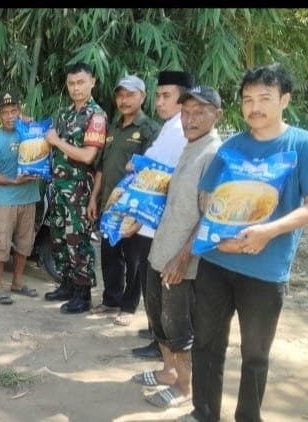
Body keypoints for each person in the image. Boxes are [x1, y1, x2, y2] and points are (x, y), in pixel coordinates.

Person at [180, 64, 308, 422]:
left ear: (285, 100)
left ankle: (248, 417)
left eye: (265, 98)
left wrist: (268, 231)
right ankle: (203, 413)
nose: (255, 107)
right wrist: (218, 238)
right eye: (248, 99)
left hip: (265, 271)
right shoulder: (232, 146)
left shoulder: (305, 146)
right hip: (217, 263)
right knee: (206, 344)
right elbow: (208, 199)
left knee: (255, 354)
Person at [131, 85, 223, 409]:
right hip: (161, 252)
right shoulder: (190, 146)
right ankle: (169, 371)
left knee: (178, 326)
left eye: (199, 112)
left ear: (217, 115)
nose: (190, 119)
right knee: (158, 318)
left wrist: (182, 259)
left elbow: (211, 216)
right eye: (185, 112)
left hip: (183, 263)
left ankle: (185, 389)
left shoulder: (213, 155)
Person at [130, 70, 195, 360]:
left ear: (184, 99)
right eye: (157, 95)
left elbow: (161, 176)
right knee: (151, 286)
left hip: (160, 224)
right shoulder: (169, 127)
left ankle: (163, 345)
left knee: (158, 289)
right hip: (150, 220)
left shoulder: (181, 131)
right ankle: (157, 335)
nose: (159, 102)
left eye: (166, 96)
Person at [88, 75, 161, 325]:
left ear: (143, 96)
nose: (124, 100)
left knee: (134, 259)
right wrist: (94, 198)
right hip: (109, 205)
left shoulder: (150, 130)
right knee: (109, 254)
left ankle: (129, 307)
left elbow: (152, 173)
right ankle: (111, 300)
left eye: (130, 95)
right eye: (120, 95)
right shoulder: (113, 128)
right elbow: (102, 166)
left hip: (133, 207)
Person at [43, 62, 106, 314]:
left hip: (80, 190)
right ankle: (67, 284)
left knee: (77, 241)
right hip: (60, 188)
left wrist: (57, 141)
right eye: (71, 83)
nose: (76, 88)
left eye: (81, 82)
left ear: (92, 82)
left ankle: (83, 294)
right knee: (59, 237)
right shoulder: (65, 114)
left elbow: (89, 156)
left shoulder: (96, 116)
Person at [0, 89, 40, 305]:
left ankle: (17, 283)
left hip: (29, 197)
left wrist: (32, 123)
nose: (10, 116)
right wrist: (14, 181)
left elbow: (45, 145)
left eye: (14, 111)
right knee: (1, 245)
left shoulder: (30, 132)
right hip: (5, 200)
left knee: (25, 244)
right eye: (5, 112)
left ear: (20, 110)